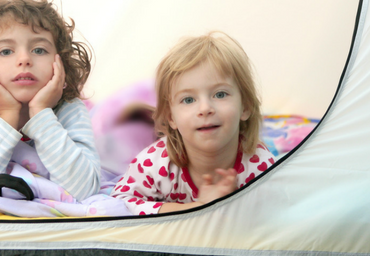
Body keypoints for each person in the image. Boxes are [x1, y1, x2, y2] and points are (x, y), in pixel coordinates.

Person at [0, 0, 101, 201]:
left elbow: (85, 189)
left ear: (61, 62)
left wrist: (41, 114)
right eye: (6, 51)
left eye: (39, 50)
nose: (24, 59)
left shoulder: (70, 108)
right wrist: (7, 115)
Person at [112, 32, 275, 214]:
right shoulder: (154, 164)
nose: (205, 108)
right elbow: (119, 203)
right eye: (188, 100)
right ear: (171, 117)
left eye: (220, 94)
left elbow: (276, 214)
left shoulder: (260, 166)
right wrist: (195, 208)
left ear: (245, 107)